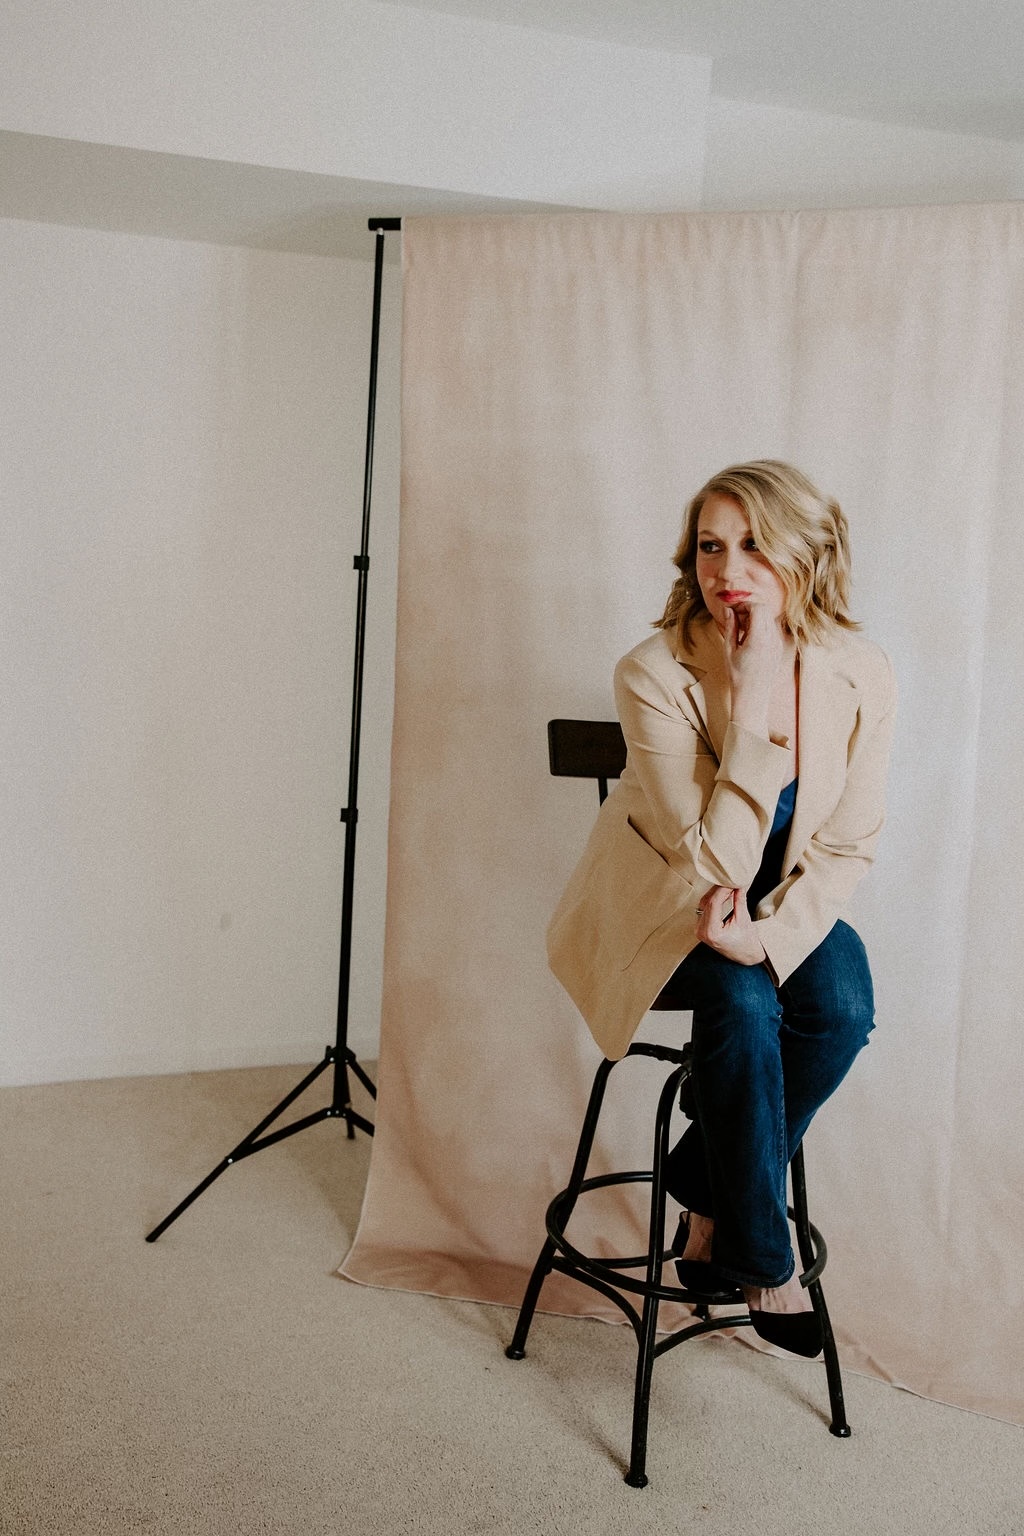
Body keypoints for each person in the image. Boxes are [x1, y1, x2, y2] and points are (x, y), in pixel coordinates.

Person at [547, 460, 896, 1357]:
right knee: (742, 1008)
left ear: (806, 555)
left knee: (842, 1007)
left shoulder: (860, 672)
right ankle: (762, 1260)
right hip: (665, 906)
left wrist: (769, 938)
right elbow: (709, 859)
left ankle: (703, 1189)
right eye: (710, 544)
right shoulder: (654, 673)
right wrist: (749, 699)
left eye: (752, 544)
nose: (726, 569)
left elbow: (846, 847)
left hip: (779, 903)